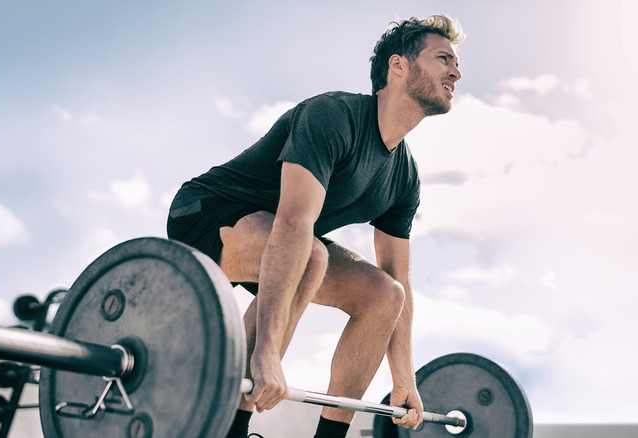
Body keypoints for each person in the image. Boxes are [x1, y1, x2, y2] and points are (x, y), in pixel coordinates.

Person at [167, 14, 462, 438]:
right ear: (398, 65)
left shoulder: (404, 176)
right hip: (203, 214)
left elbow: (398, 276)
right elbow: (293, 222)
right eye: (443, 58)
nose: (456, 71)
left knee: (385, 294)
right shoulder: (334, 115)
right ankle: (230, 428)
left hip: (286, 241)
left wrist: (404, 381)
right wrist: (265, 354)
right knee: (309, 252)